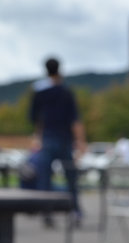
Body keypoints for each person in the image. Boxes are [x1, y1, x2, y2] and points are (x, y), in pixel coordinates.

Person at [29, 57, 86, 226]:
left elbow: (36, 119)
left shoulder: (40, 92)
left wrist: (37, 137)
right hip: (64, 139)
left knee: (45, 178)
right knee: (71, 178)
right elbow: (75, 119)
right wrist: (81, 141)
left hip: (47, 138)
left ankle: (46, 212)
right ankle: (75, 210)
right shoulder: (65, 91)